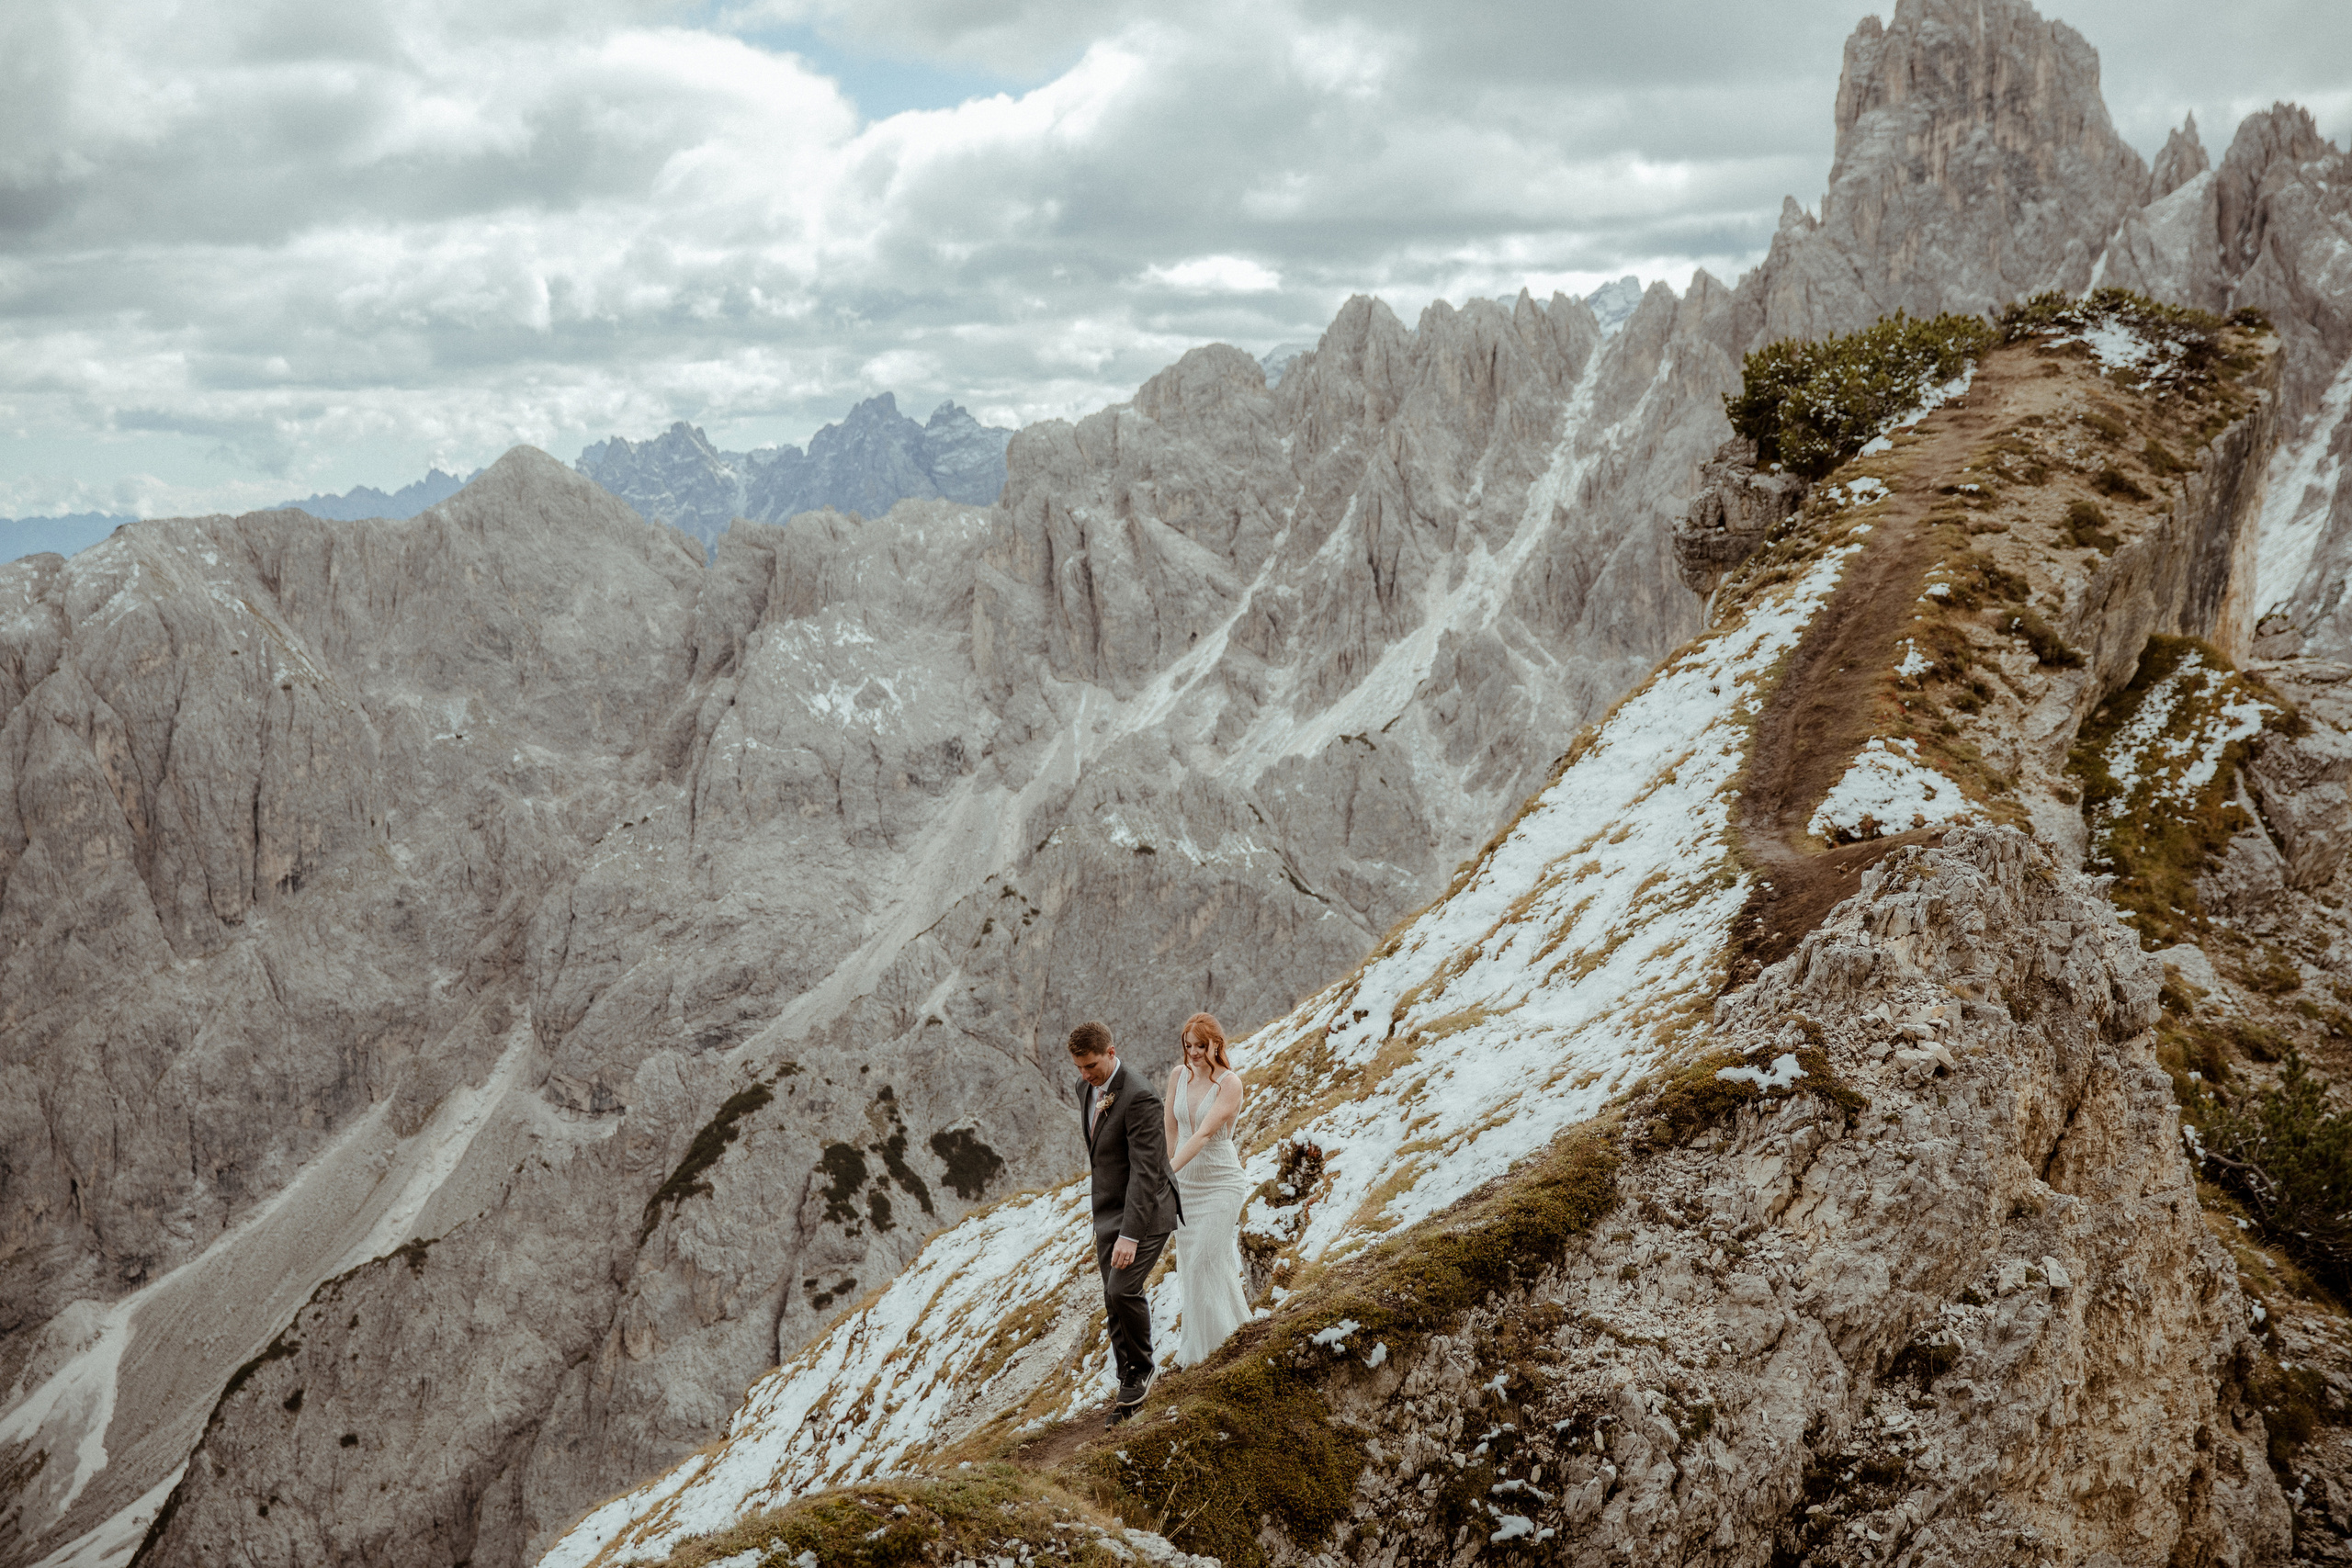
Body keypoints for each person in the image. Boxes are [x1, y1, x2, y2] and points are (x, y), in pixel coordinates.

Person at [1069, 1021, 1181, 1427]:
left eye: (1092, 1066)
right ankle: (1127, 1383)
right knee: (1111, 1298)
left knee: (1123, 1288)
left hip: (1146, 1212)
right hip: (1108, 1212)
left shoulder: (1140, 1097)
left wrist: (1130, 1235)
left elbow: (1147, 1173)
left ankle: (1143, 1368)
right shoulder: (1086, 1090)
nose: (1086, 1075)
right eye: (1080, 1067)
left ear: (1112, 1052)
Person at [1164, 1011, 1250, 1367]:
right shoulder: (1178, 1076)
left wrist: (1166, 1172)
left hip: (1220, 1183)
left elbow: (1202, 1135)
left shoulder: (1229, 1083)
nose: (1194, 1052)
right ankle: (1229, 1338)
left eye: (1202, 1045)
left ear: (1216, 1044)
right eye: (1189, 1045)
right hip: (1186, 1186)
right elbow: (1170, 1123)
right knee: (1196, 1267)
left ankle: (1214, 1355)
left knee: (1204, 1261)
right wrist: (1171, 1175)